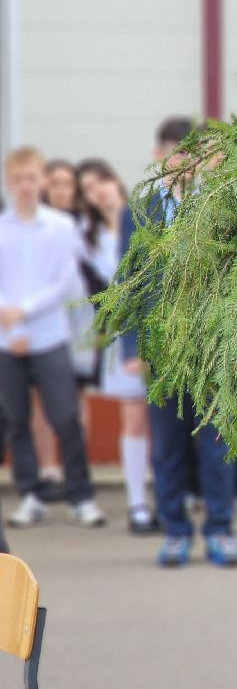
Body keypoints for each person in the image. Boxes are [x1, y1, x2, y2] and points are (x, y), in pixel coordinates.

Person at [124, 117, 237, 567]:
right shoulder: (139, 211)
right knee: (167, 448)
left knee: (216, 445)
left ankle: (220, 530)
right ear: (161, 156)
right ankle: (174, 530)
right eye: (175, 152)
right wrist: (132, 349)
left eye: (190, 153)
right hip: (160, 353)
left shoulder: (218, 206)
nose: (182, 162)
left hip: (210, 350)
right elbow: (127, 284)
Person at [1, 146, 105, 528]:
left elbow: (64, 281)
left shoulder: (62, 228)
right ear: (9, 182)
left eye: (32, 178)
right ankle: (30, 494)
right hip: (7, 341)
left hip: (50, 336)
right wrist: (12, 325)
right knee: (17, 420)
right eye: (18, 179)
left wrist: (24, 312)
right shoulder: (2, 228)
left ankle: (81, 495)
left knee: (65, 416)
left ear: (41, 180)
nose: (25, 186)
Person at [75, 159, 160, 533]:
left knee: (167, 418)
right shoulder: (88, 238)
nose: (98, 191)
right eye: (88, 189)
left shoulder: (146, 215)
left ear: (114, 180)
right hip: (122, 333)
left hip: (160, 328)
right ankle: (138, 504)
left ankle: (174, 496)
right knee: (134, 417)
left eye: (101, 181)